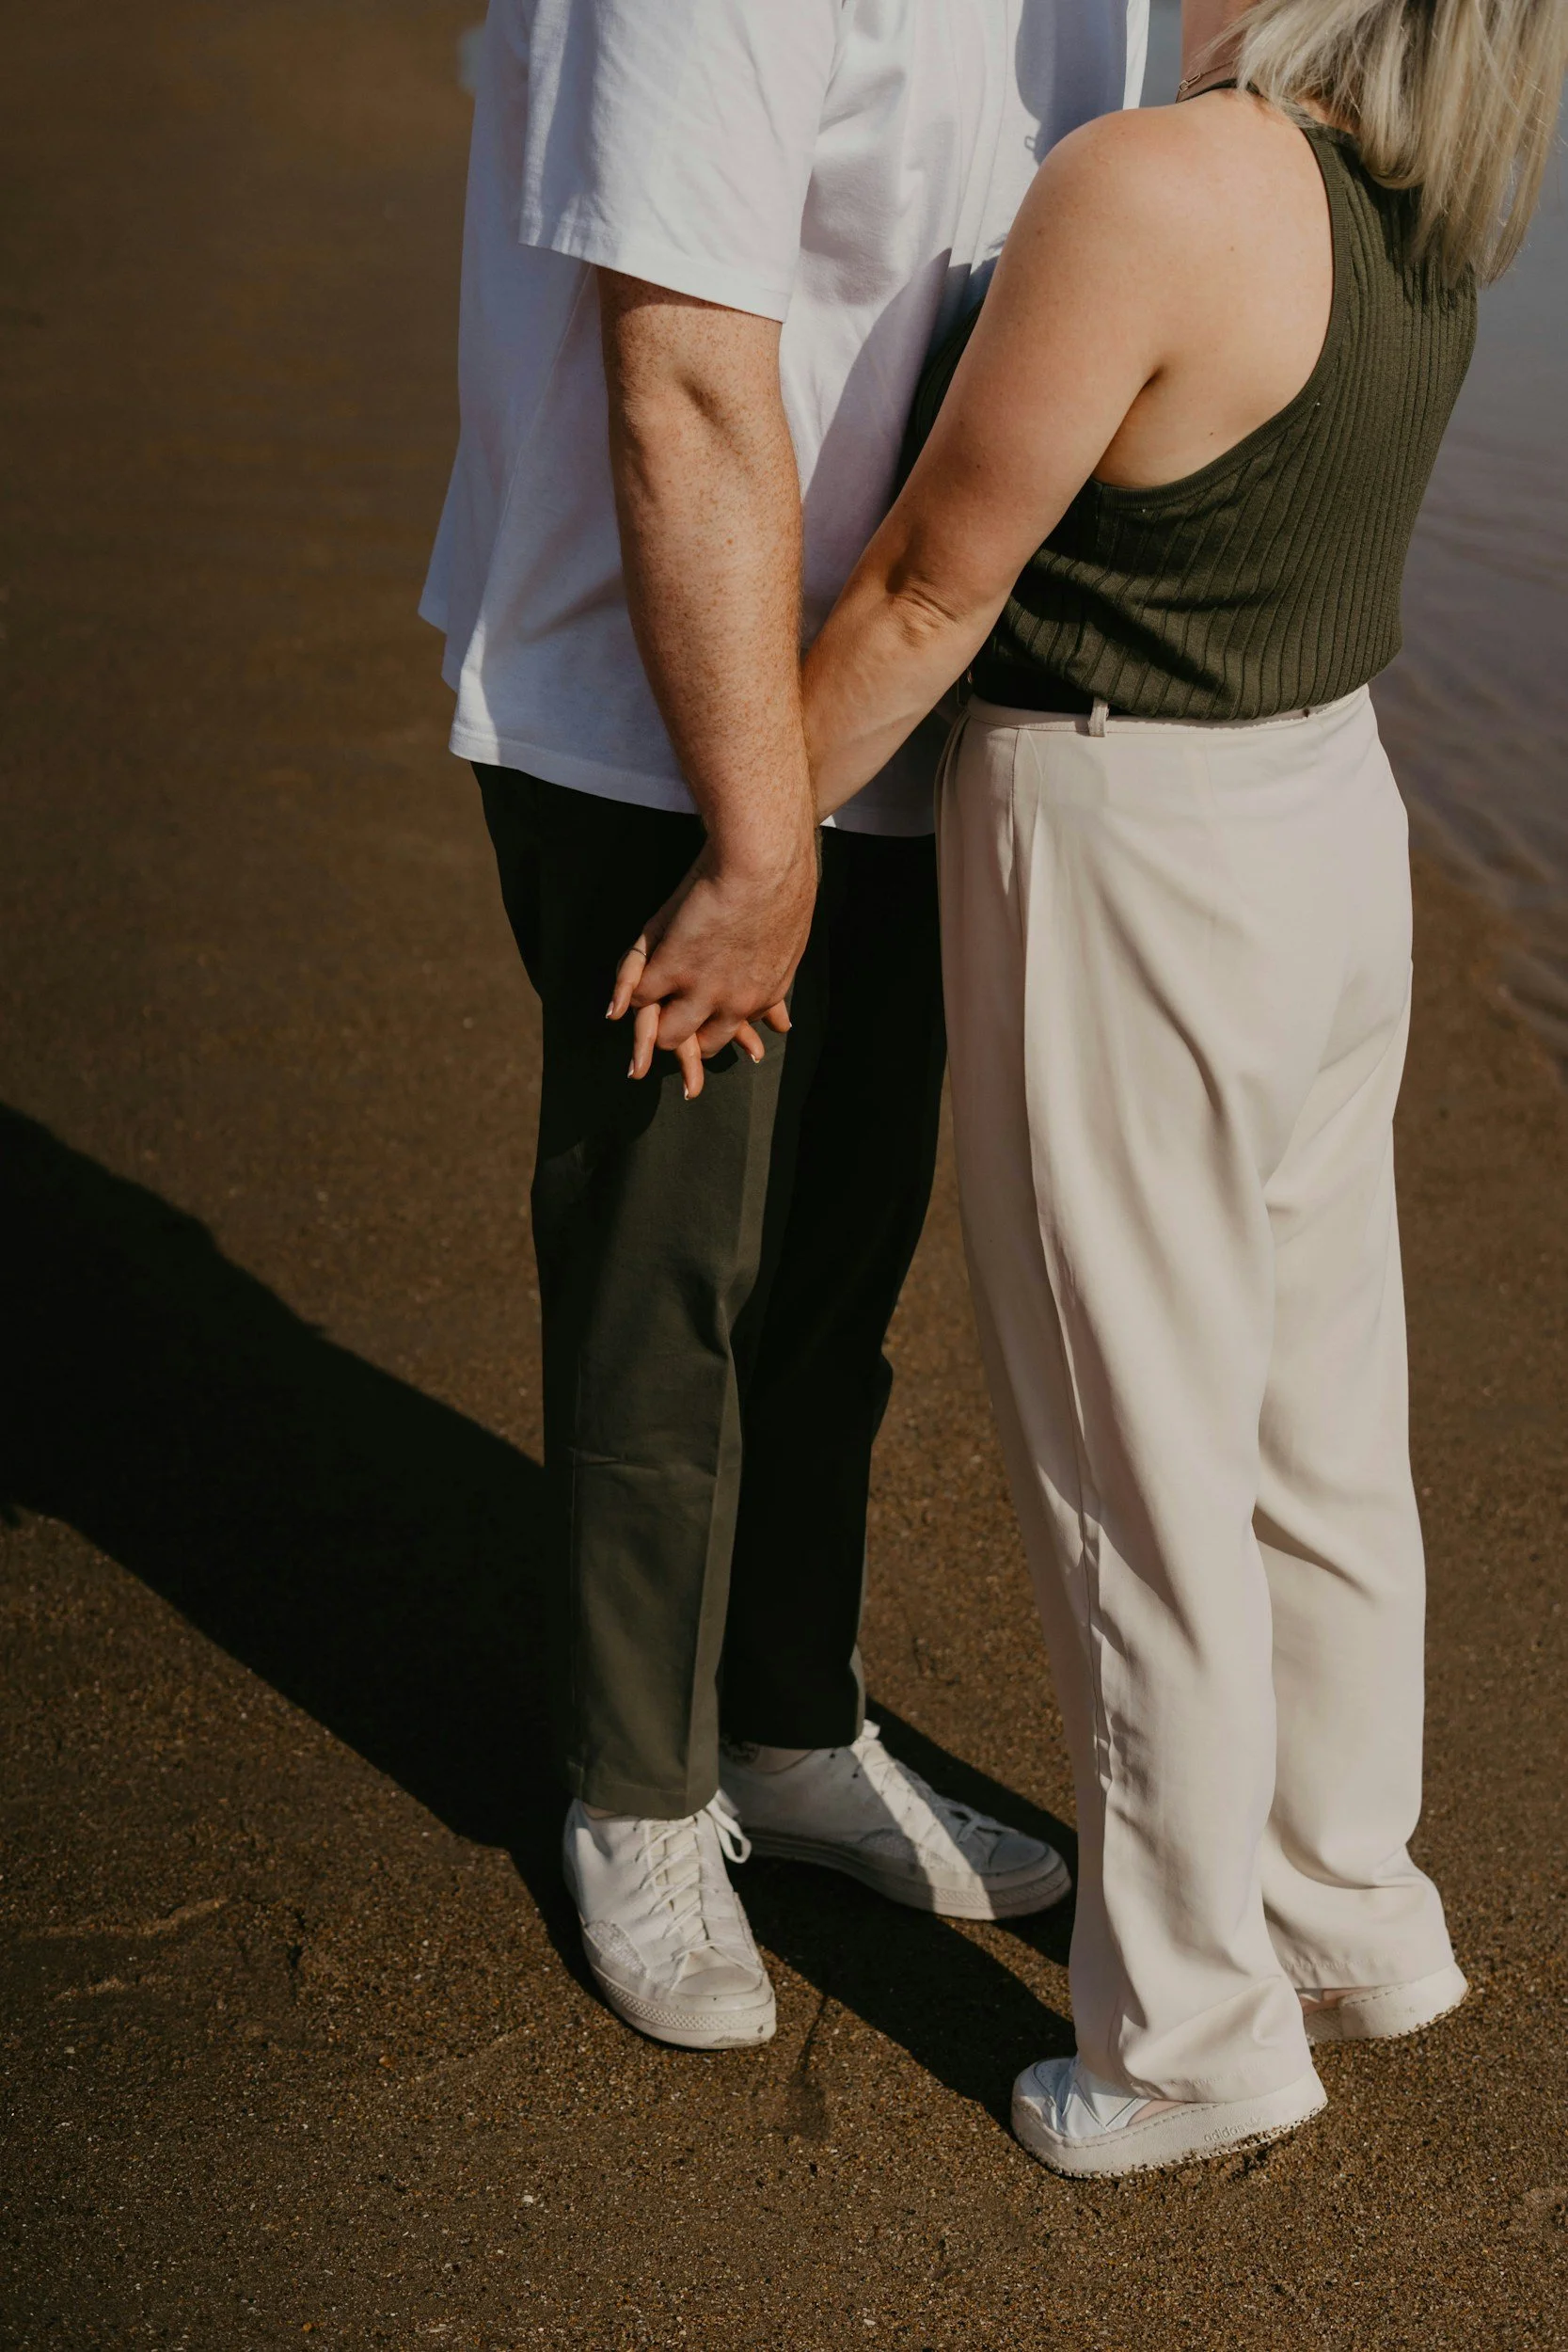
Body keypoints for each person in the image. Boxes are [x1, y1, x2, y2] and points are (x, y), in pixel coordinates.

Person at [716, 0, 1566, 2169]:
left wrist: (748, 860)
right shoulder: (1437, 192)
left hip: (1132, 845)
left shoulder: (1153, 184)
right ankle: (1339, 1905)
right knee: (1310, 1424)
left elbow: (924, 583)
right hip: (1321, 819)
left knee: (1132, 1456)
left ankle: (1184, 2041)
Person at [420, 0, 1148, 2049]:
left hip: (903, 698)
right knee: (670, 1280)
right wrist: (759, 833)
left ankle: (781, 1721)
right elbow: (677, 380)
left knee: (830, 1275)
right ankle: (634, 1788)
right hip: (661, 726)